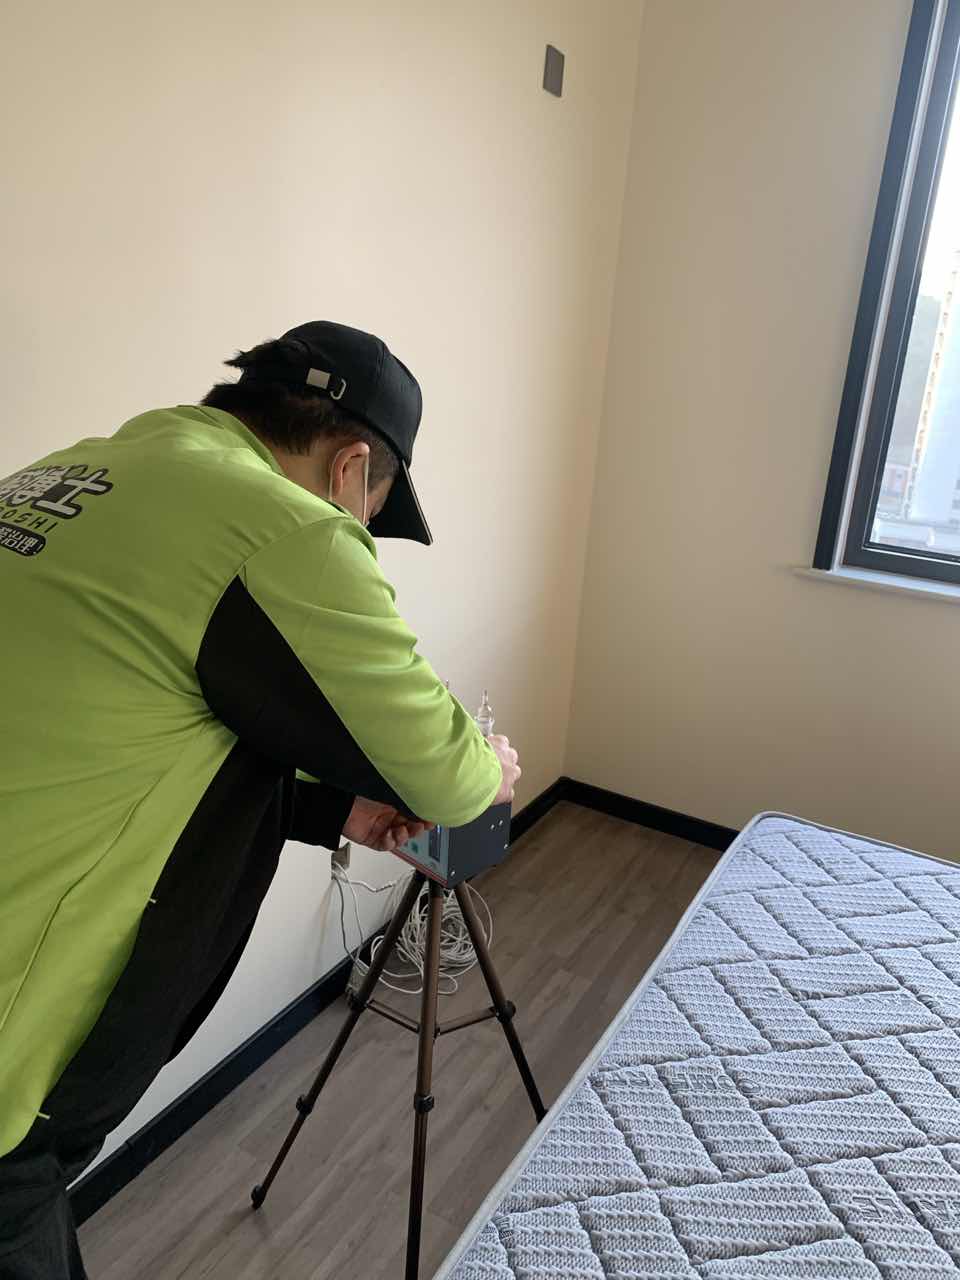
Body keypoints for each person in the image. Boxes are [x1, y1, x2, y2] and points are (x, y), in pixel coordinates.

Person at [0, 320, 521, 1279]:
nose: (361, 534)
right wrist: (492, 765)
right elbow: (449, 779)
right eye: (371, 513)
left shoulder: (77, 470)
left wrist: (332, 810)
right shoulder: (282, 528)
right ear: (350, 466)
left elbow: (143, 730)